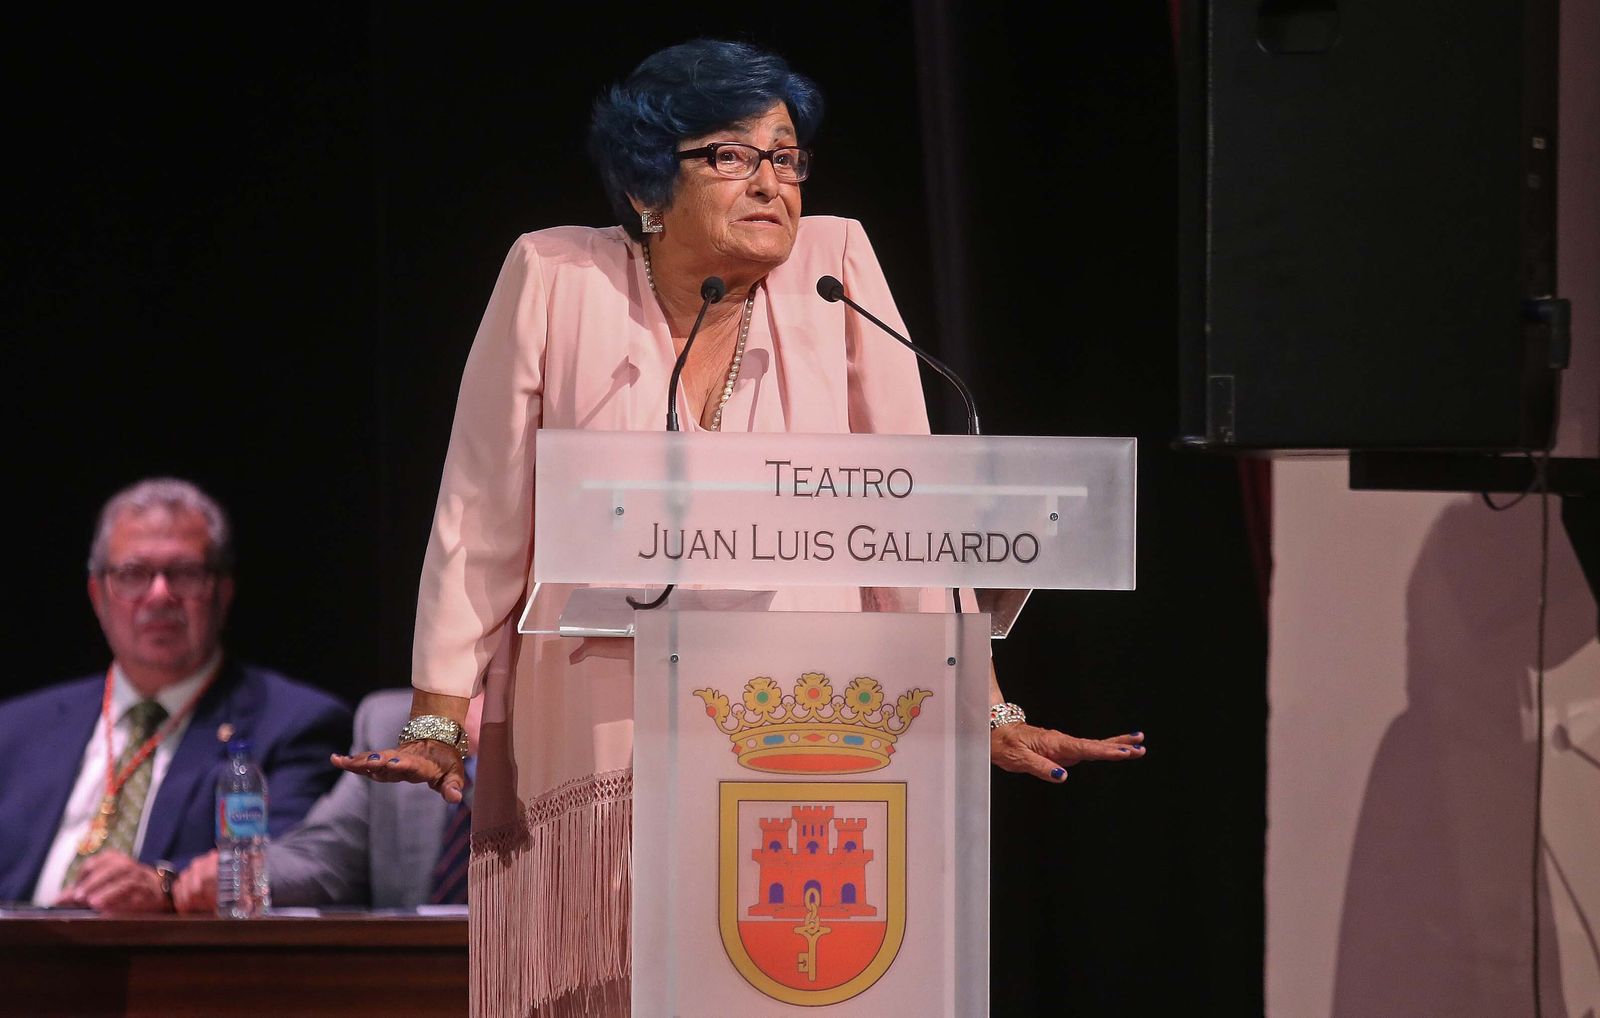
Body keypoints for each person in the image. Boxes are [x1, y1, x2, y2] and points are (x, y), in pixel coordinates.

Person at [335, 40, 1146, 1015]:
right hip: (604, 712)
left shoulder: (834, 270)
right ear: (647, 185)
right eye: (732, 156)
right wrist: (437, 716)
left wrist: (981, 700)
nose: (772, 183)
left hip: (807, 720)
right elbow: (482, 510)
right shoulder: (555, 276)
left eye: (787, 158)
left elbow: (906, 516)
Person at [0, 477, 351, 911]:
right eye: (133, 574)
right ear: (97, 595)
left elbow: (288, 863)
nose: (160, 594)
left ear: (223, 592)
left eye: (184, 573)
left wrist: (164, 885)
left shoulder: (294, 725)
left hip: (171, 970)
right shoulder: (15, 730)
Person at [171, 688, 482, 911]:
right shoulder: (394, 726)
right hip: (421, 984)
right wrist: (240, 873)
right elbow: (324, 856)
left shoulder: (530, 746)